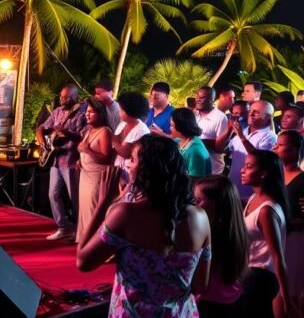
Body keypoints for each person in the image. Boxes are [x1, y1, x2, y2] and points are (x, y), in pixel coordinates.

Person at [77, 135, 211, 316]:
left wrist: (102, 202)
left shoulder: (125, 214)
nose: (128, 165)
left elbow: (83, 262)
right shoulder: (201, 216)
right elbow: (200, 285)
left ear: (146, 170)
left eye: (132, 160)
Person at [240, 151, 294, 318]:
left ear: (263, 173)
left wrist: (287, 300)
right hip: (250, 274)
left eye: (249, 166)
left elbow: (278, 257)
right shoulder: (254, 198)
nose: (242, 170)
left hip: (260, 278)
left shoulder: (266, 212)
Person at [272, 131, 304, 313]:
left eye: (280, 145)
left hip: (292, 242)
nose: (275, 148)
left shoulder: (302, 182)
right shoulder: (277, 174)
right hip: (278, 239)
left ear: (295, 149)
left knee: (288, 294)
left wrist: (277, 224)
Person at [36, 84, 87, 241]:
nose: (62, 100)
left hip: (71, 161)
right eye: (61, 97)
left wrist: (68, 133)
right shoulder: (57, 111)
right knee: (53, 194)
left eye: (66, 97)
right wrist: (42, 143)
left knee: (75, 198)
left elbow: (84, 137)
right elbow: (42, 127)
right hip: (55, 160)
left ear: (75, 97)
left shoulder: (82, 113)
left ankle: (80, 230)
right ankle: (63, 227)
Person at [194, 175, 249, 317]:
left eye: (198, 200)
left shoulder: (210, 233)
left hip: (210, 303)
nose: (193, 205)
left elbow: (200, 283)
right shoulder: (236, 228)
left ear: (214, 204)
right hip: (234, 299)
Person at [76, 97, 115, 243]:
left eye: (91, 112)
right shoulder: (89, 129)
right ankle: (85, 241)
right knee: (85, 210)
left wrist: (87, 151)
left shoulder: (105, 132)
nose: (87, 114)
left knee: (93, 211)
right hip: (85, 174)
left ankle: (94, 243)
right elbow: (85, 150)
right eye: (87, 111)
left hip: (97, 177)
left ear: (100, 114)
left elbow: (106, 159)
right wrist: (80, 160)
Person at [226, 101, 278, 200]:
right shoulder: (244, 130)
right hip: (233, 189)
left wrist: (241, 136)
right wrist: (229, 130)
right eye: (250, 111)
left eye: (256, 112)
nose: (251, 114)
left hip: (249, 193)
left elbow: (259, 159)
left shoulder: (270, 137)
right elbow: (225, 150)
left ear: (268, 117)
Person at [111, 92, 152, 188]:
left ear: (130, 111)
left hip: (129, 176)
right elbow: (116, 143)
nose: (119, 111)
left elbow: (125, 153)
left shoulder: (141, 130)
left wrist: (112, 139)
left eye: (121, 109)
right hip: (117, 170)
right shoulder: (123, 123)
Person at [195, 86, 230, 174]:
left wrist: (196, 142)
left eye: (202, 97)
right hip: (195, 167)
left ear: (212, 99)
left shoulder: (220, 118)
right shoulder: (193, 115)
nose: (198, 100)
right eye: (197, 96)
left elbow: (220, 148)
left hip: (212, 169)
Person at [171, 107, 212, 179]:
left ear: (180, 127)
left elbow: (195, 180)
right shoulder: (180, 140)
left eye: (171, 125)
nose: (170, 128)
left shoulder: (194, 151)